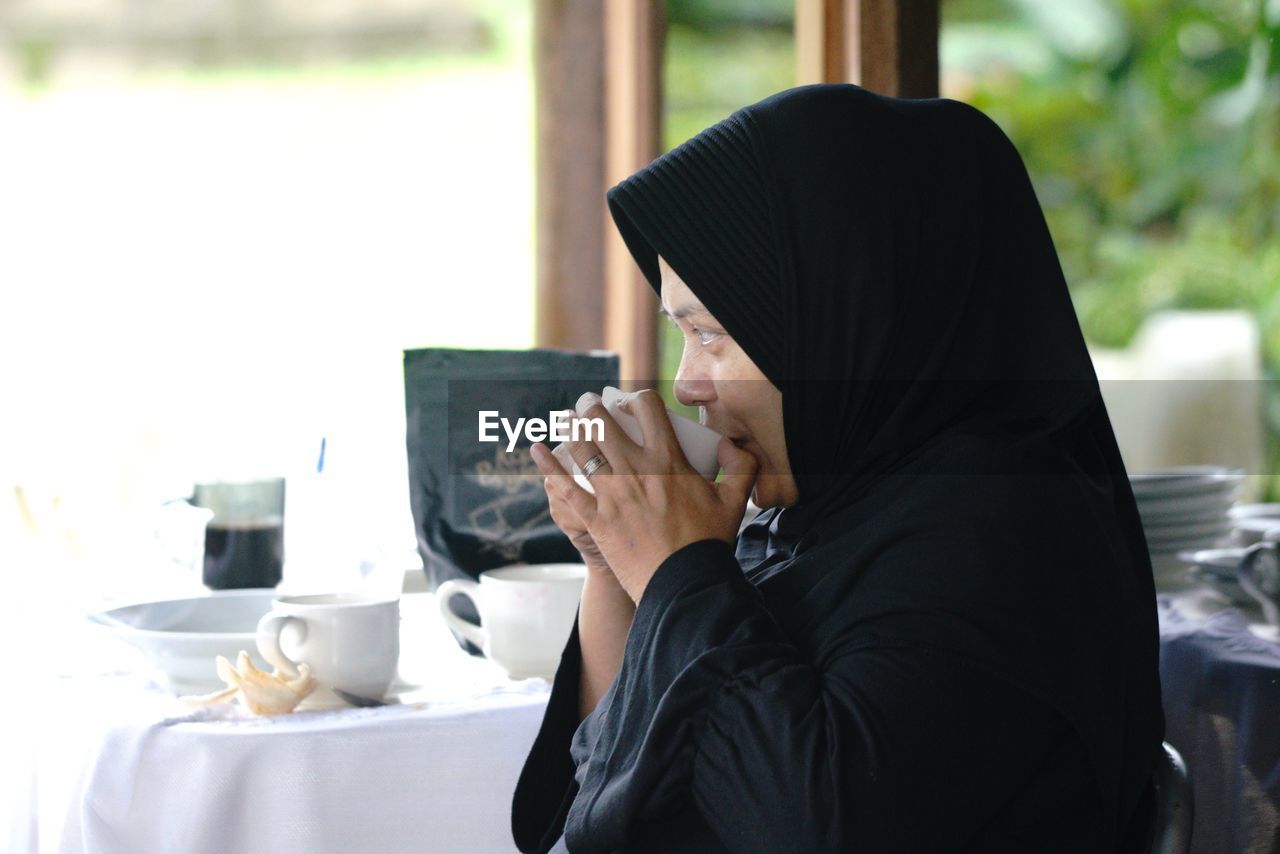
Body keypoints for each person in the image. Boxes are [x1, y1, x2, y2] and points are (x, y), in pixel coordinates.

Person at [511, 83, 1164, 853]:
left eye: (713, 334)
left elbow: (815, 822)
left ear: (849, 319)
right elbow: (600, 784)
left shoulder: (1002, 534)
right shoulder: (832, 513)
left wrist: (677, 570)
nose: (687, 383)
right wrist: (616, 571)